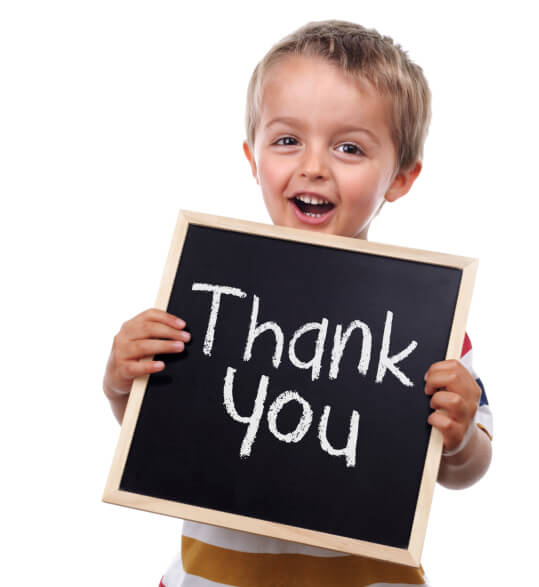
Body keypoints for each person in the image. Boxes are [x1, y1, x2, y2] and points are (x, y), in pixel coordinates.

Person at [104, 20, 493, 587]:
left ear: (401, 177)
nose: (313, 166)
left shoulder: (427, 324)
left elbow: (469, 463)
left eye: (349, 147)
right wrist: (120, 381)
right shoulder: (208, 292)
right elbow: (168, 427)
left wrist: (458, 440)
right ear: (253, 157)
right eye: (287, 140)